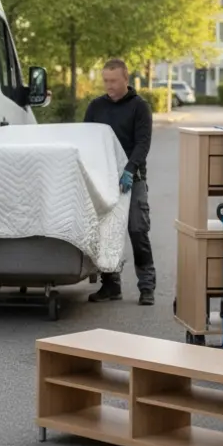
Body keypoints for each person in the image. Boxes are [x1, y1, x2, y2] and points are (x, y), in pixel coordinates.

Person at [84, 58, 154, 306]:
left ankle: (147, 287)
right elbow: (87, 139)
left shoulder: (139, 107)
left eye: (113, 81)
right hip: (103, 179)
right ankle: (111, 285)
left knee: (137, 229)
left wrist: (130, 169)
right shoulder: (96, 107)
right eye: (105, 81)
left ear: (126, 79)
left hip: (131, 178)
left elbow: (142, 142)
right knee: (105, 230)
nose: (109, 86)